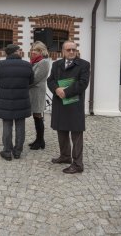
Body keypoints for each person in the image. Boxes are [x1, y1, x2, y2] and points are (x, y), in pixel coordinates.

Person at [47, 40, 90, 174]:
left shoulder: (84, 64)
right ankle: (65, 156)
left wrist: (66, 92)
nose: (71, 52)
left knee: (76, 133)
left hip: (74, 103)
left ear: (76, 51)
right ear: (63, 51)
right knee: (61, 130)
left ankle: (78, 164)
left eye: (74, 49)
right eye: (68, 49)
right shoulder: (56, 64)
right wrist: (56, 89)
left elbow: (83, 83)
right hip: (60, 103)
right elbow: (50, 80)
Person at [0, 44, 34, 161]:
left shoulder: (0, 65)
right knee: (20, 126)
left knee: (7, 125)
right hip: (22, 100)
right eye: (20, 50)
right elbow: (31, 81)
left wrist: (5, 87)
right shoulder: (27, 65)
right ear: (16, 52)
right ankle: (17, 151)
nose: (21, 52)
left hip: (5, 100)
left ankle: (7, 151)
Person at [28, 41, 50, 150]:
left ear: (41, 51)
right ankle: (38, 139)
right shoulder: (34, 61)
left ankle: (41, 141)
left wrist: (24, 84)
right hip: (32, 92)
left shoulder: (44, 62)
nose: (32, 52)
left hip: (37, 92)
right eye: (32, 50)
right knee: (36, 116)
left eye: (35, 50)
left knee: (38, 116)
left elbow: (35, 79)